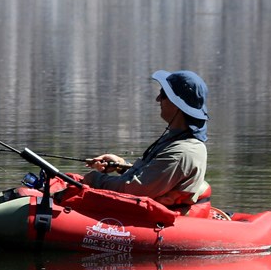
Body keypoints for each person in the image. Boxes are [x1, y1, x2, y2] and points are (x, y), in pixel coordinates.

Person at [83, 70, 210, 210]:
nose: (158, 99)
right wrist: (121, 166)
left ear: (177, 105)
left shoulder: (182, 152)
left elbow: (136, 190)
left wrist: (94, 180)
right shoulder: (177, 138)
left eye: (163, 94)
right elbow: (156, 177)